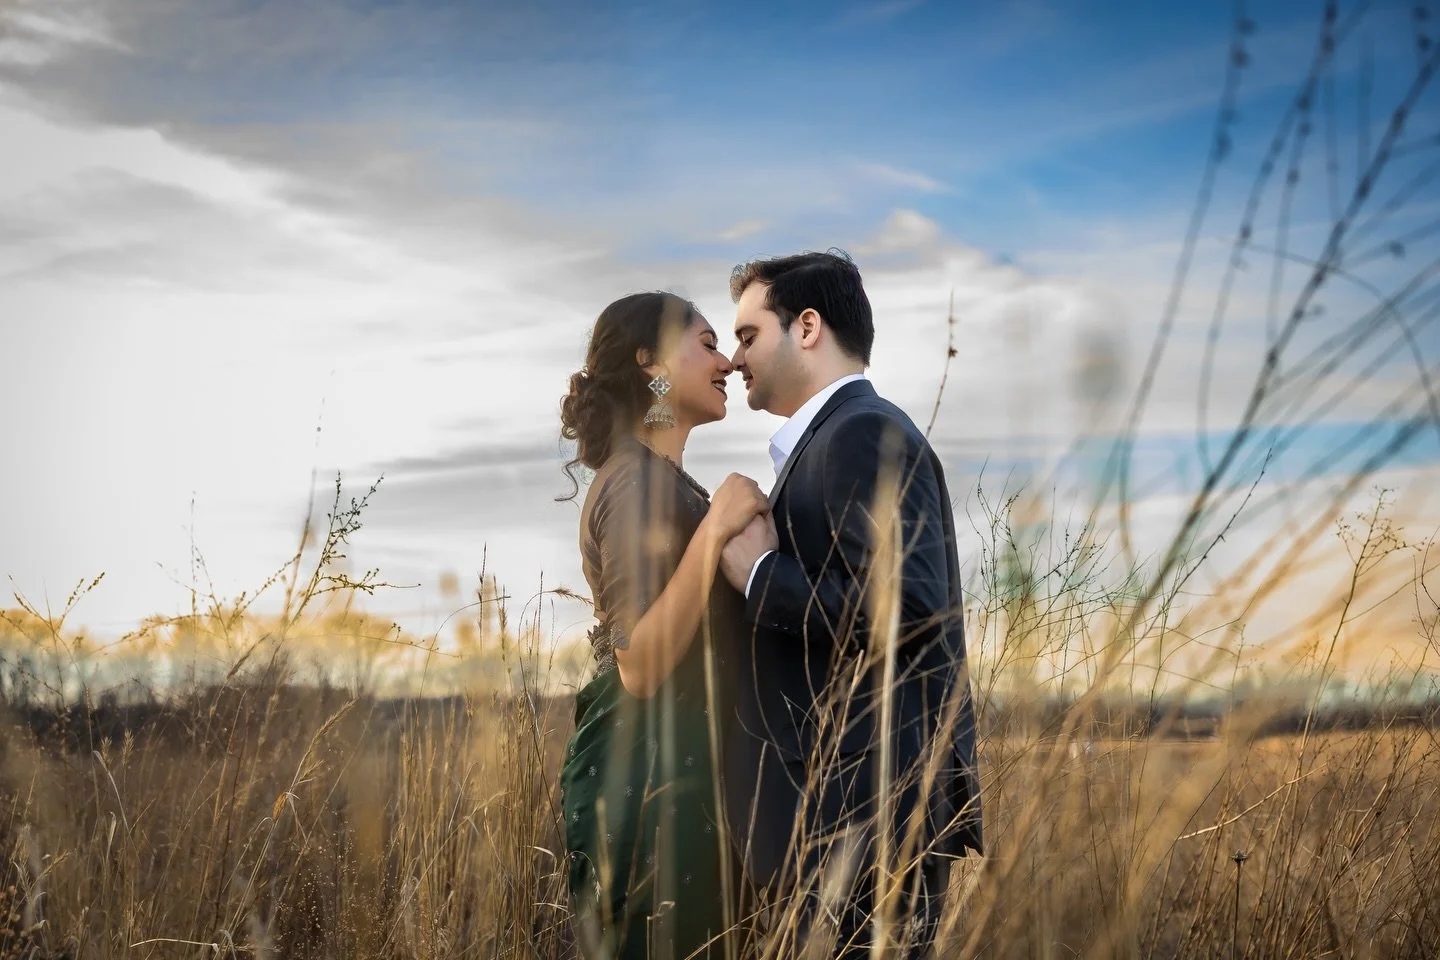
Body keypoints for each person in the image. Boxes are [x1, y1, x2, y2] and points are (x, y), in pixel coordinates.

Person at [717, 250, 984, 958]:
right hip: (846, 809)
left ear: (807, 328)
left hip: (874, 812)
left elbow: (913, 607)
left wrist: (761, 575)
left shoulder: (859, 433)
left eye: (747, 336)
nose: (735, 358)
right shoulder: (832, 439)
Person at [557, 291, 764, 959]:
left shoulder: (669, 484)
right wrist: (718, 530)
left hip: (684, 778)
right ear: (650, 363)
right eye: (706, 344)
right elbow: (640, 664)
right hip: (646, 783)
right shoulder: (633, 485)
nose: (728, 360)